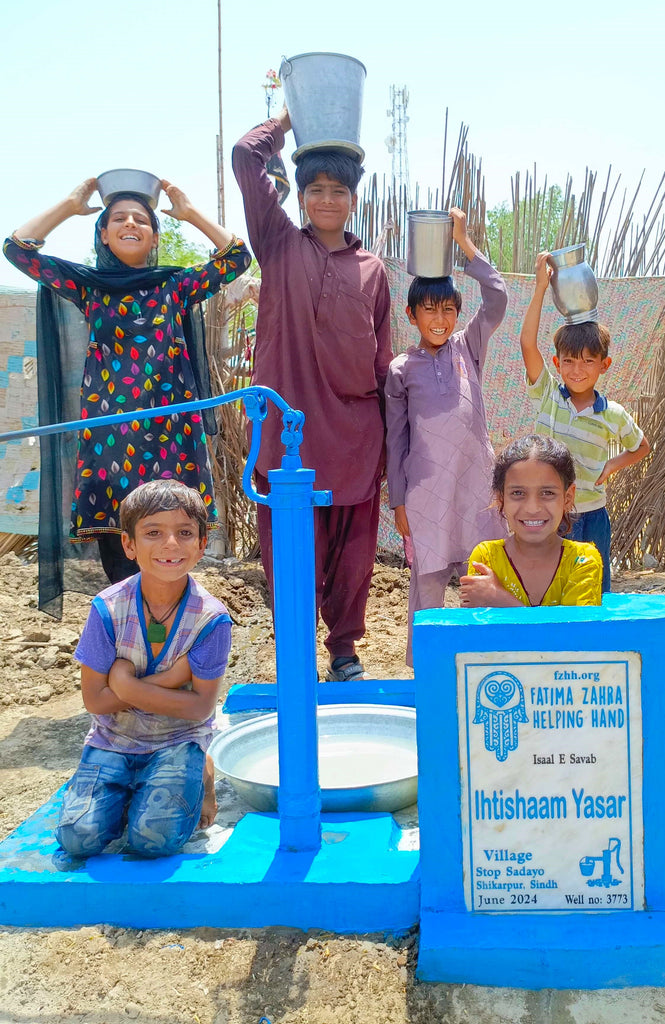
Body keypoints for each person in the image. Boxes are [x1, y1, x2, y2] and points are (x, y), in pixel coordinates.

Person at [4, 179, 250, 604]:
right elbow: (18, 251)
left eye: (141, 219)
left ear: (154, 235)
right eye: (118, 218)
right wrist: (69, 203)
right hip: (110, 441)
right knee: (121, 548)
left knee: (171, 541)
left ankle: (173, 647)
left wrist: (189, 212)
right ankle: (125, 645)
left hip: (170, 436)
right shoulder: (88, 286)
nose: (130, 223)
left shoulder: (176, 286)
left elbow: (237, 257)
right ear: (103, 233)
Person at [232, 108, 393, 681]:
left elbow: (380, 361)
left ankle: (344, 651)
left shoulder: (373, 269)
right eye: (316, 190)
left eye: (339, 190)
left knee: (353, 555)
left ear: (353, 200)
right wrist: (289, 118)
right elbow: (246, 158)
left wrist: (390, 441)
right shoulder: (277, 245)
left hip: (354, 436)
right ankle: (296, 651)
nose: (327, 199)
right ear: (300, 198)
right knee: (289, 551)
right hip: (289, 438)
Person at [56, 480, 231, 858]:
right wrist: (169, 681)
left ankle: (202, 768)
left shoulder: (212, 619)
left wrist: (123, 682)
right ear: (129, 544)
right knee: (76, 838)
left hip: (178, 740)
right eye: (153, 533)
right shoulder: (107, 609)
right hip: (113, 740)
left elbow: (200, 708)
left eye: (184, 533)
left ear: (202, 544)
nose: (170, 544)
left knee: (153, 842)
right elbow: (95, 703)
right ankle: (125, 793)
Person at [384, 208, 508, 664]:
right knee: (428, 582)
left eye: (449, 309)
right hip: (425, 493)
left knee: (483, 575)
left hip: (476, 486)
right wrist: (398, 501)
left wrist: (463, 240)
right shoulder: (401, 369)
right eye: (429, 310)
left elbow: (497, 296)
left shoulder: (468, 347)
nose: (440, 319)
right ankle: (426, 671)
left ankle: (486, 660)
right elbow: (396, 440)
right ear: (412, 314)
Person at [519, 252, 650, 590]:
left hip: (594, 515)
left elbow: (641, 447)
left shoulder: (612, 414)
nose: (577, 370)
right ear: (556, 362)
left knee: (594, 588)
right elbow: (526, 344)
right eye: (569, 361)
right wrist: (539, 289)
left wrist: (612, 465)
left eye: (587, 361)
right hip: (552, 516)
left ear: (603, 365)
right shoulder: (548, 397)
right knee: (552, 588)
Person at [460, 434, 602, 608]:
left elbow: (572, 633)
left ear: (567, 498)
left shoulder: (582, 560)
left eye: (547, 493)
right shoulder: (486, 557)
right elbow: (480, 633)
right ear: (501, 498)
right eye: (518, 493)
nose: (532, 508)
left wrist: (499, 599)